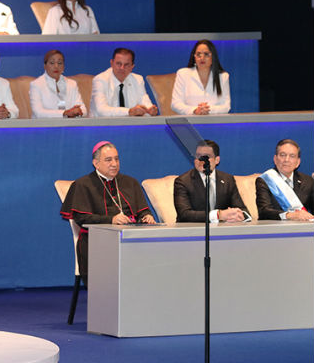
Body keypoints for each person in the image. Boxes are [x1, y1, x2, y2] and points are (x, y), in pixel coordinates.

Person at [60, 141, 156, 286]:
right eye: (108, 160)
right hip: (96, 242)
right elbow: (81, 218)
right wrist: (111, 220)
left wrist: (147, 216)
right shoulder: (83, 185)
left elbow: (142, 210)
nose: (114, 164)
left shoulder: (130, 182)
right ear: (96, 163)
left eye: (116, 159)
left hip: (132, 240)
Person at [174, 140, 249, 222]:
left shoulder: (228, 180)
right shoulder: (183, 181)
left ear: (217, 160)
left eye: (206, 157)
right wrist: (218, 215)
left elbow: (242, 209)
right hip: (193, 231)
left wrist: (239, 215)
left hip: (223, 230)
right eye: (198, 156)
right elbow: (184, 214)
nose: (201, 160)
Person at [256, 139, 314, 221]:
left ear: (298, 162)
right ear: (275, 159)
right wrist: (289, 215)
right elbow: (263, 211)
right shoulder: (265, 180)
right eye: (282, 155)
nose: (286, 160)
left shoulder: (307, 181)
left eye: (292, 156)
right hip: (275, 229)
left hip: (302, 229)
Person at [90, 48, 158, 117]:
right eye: (119, 64)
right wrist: (129, 111)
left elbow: (145, 102)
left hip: (132, 126)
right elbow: (102, 110)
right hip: (102, 126)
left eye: (126, 65)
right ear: (111, 63)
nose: (122, 68)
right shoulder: (100, 80)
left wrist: (150, 110)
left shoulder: (138, 79)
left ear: (132, 67)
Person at [171, 40, 231, 115]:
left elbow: (226, 106)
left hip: (215, 122)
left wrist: (209, 110)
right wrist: (195, 110)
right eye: (198, 54)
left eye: (206, 54)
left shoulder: (223, 76)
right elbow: (175, 104)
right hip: (190, 121)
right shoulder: (183, 74)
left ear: (213, 57)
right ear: (194, 57)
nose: (202, 58)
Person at [29, 49, 86, 118]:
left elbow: (83, 110)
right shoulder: (36, 85)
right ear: (45, 66)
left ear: (63, 66)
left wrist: (77, 112)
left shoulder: (72, 84)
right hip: (45, 127)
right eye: (52, 63)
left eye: (59, 63)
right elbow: (38, 113)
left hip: (70, 126)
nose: (56, 66)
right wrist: (65, 113)